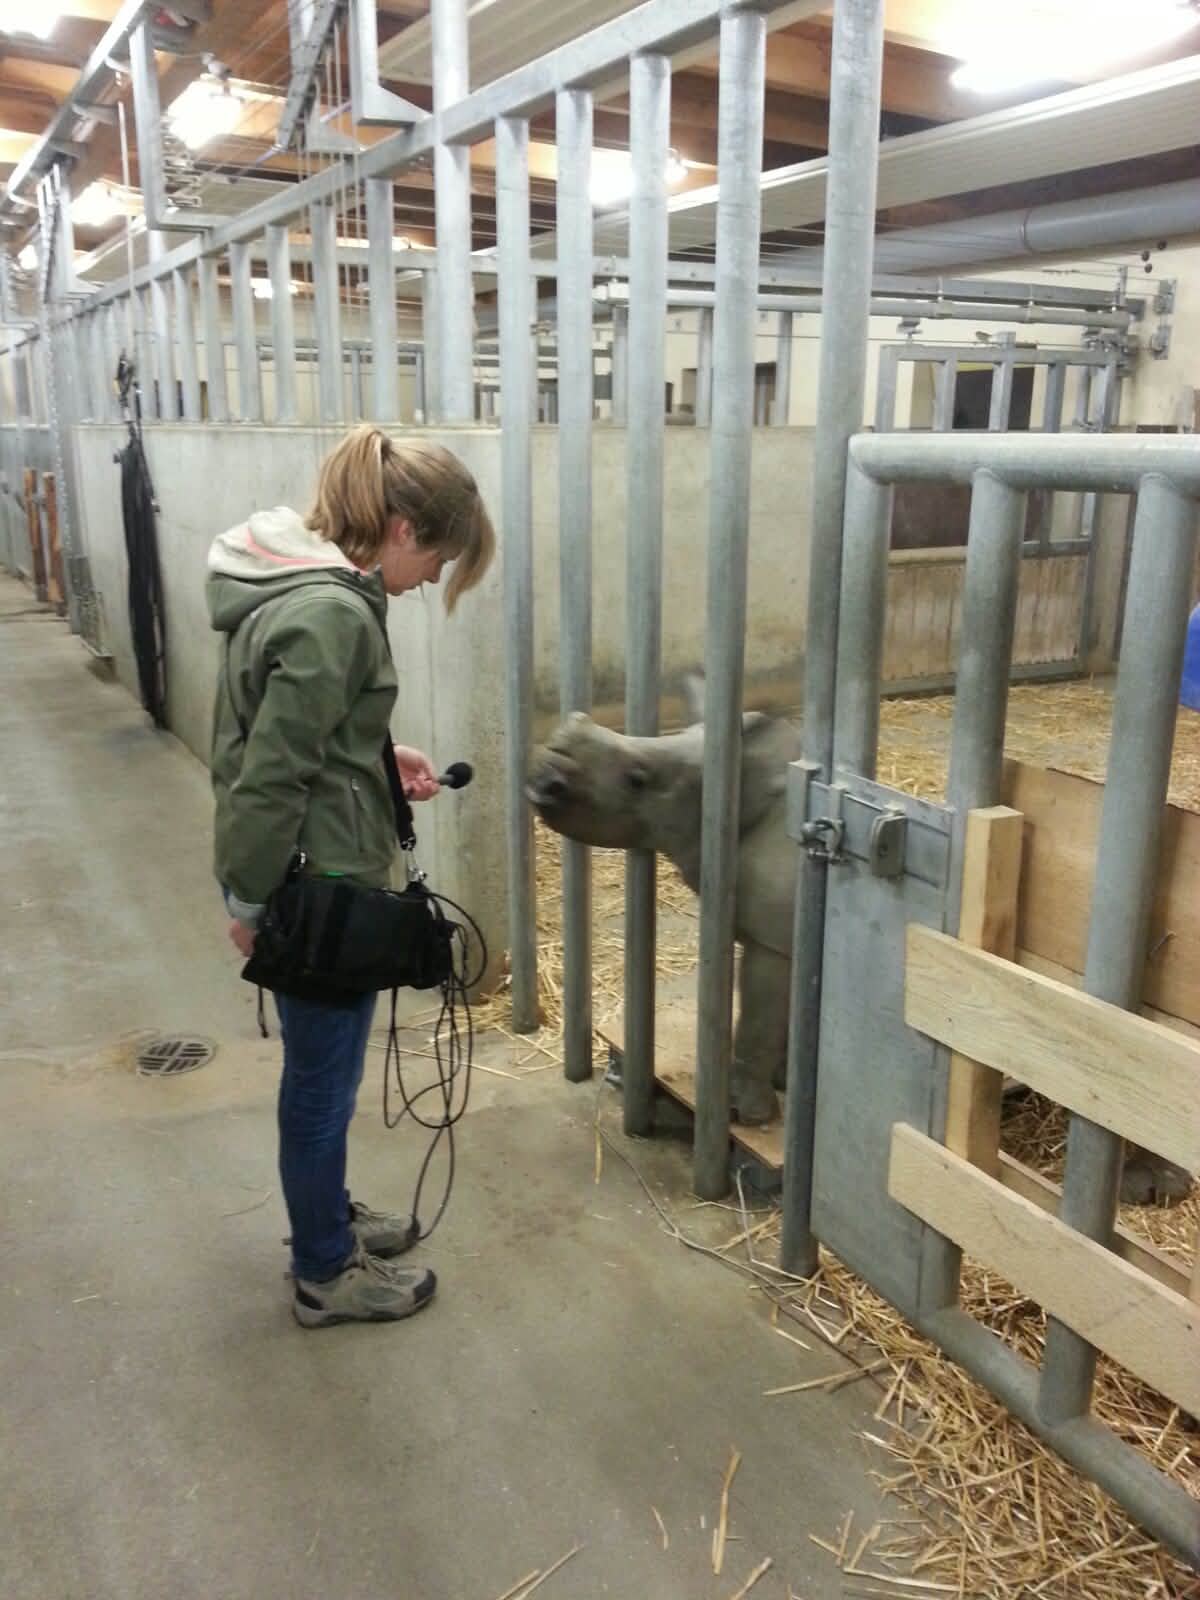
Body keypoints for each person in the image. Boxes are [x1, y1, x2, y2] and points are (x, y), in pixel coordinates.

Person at [206, 426, 495, 1329]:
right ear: (404, 528)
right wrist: (250, 902)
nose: (431, 582)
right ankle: (325, 1270)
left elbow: (297, 735)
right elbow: (270, 775)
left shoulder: (299, 581)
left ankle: (326, 1216)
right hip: (317, 886)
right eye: (439, 559)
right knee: (323, 1086)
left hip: (320, 862)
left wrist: (373, 753)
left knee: (321, 1074)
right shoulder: (333, 611)